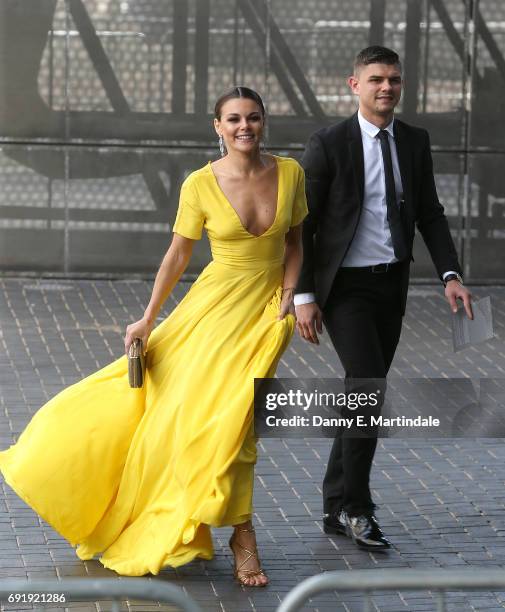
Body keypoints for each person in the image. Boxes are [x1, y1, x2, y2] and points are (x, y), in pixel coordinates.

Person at [0, 86, 308, 585]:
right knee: (205, 420)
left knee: (237, 422)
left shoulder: (290, 173)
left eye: (253, 118)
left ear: (264, 121)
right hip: (211, 311)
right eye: (233, 120)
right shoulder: (199, 185)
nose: (244, 127)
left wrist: (292, 292)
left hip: (266, 315)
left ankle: (239, 534)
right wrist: (147, 318)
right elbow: (178, 257)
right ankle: (240, 534)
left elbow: (295, 241)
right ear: (218, 127)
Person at [294, 46, 473, 551]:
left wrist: (450, 275)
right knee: (368, 391)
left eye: (394, 79)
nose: (386, 88)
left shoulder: (415, 141)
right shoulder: (328, 143)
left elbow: (430, 214)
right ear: (355, 85)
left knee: (360, 392)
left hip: (391, 285)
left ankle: (334, 504)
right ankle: (357, 508)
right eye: (376, 79)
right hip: (344, 289)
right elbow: (304, 227)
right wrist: (305, 294)